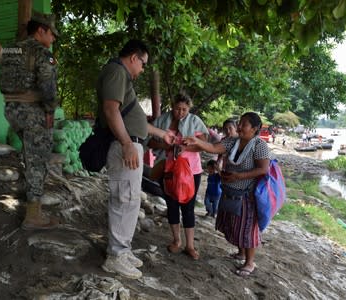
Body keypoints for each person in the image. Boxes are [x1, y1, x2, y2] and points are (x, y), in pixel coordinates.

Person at [97, 39, 175, 279]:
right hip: (124, 147)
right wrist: (128, 143)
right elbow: (111, 110)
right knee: (124, 198)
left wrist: (161, 133)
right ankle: (115, 257)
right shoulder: (116, 71)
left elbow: (134, 120)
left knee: (130, 200)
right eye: (143, 63)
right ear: (133, 57)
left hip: (130, 145)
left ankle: (123, 249)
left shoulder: (122, 77)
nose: (142, 69)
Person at [183, 112, 270, 277]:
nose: (239, 127)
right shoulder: (232, 141)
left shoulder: (259, 145)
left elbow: (263, 169)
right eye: (240, 123)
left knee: (247, 228)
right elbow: (214, 148)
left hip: (247, 195)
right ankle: (241, 253)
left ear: (255, 128)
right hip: (230, 191)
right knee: (235, 224)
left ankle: (249, 262)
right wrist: (197, 141)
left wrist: (239, 176)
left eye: (244, 124)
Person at [0, 11, 60, 230]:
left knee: (29, 153)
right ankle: (33, 215)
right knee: (38, 159)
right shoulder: (44, 54)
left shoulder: (11, 48)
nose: (53, 38)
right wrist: (51, 108)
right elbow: (47, 87)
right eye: (52, 34)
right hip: (33, 112)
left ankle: (28, 199)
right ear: (41, 30)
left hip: (11, 109)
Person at [147, 92, 209, 260]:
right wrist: (165, 145)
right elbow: (150, 142)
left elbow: (204, 145)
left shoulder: (195, 121)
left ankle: (190, 246)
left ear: (189, 108)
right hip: (167, 169)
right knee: (172, 204)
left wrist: (186, 148)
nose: (180, 113)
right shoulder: (161, 121)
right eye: (177, 109)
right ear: (172, 106)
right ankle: (176, 241)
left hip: (191, 171)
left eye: (184, 110)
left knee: (188, 207)